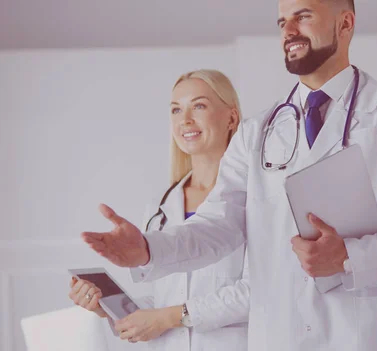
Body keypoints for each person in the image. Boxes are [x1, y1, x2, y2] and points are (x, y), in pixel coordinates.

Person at [81, 0, 377, 350]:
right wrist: (147, 249)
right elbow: (217, 225)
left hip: (363, 336)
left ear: (345, 24)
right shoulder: (258, 132)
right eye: (282, 22)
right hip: (279, 336)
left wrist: (349, 257)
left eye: (303, 16)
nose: (289, 31)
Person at [70, 69, 249, 350]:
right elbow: (165, 300)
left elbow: (256, 293)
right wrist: (106, 307)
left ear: (232, 117)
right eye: (176, 110)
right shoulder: (160, 206)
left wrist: (168, 318)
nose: (185, 120)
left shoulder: (253, 198)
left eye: (199, 106)